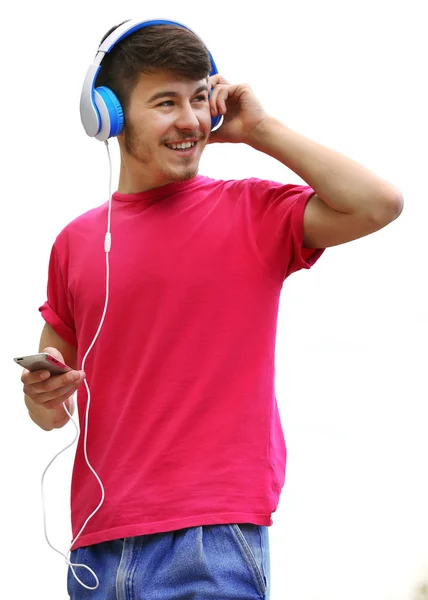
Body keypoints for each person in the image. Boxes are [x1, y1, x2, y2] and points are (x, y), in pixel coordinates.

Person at [21, 19, 403, 600]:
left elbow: (379, 204)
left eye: (199, 98)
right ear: (111, 114)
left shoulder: (253, 211)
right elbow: (51, 409)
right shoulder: (76, 242)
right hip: (96, 545)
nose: (191, 120)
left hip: (213, 538)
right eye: (166, 102)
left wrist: (262, 130)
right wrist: (42, 396)